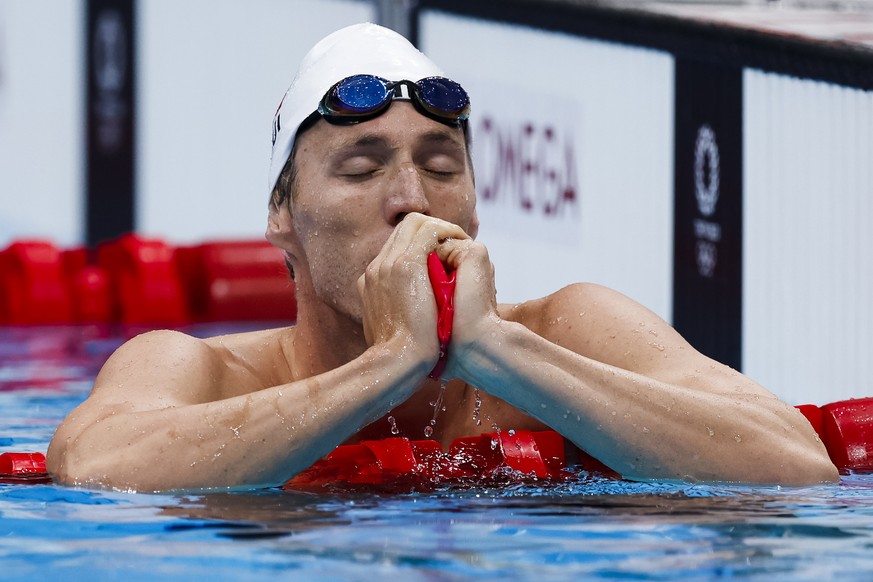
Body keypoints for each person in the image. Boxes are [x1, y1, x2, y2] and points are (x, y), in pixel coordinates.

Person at [46, 23, 837, 491]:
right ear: (282, 216)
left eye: (441, 165)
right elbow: (91, 470)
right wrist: (388, 365)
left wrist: (496, 353)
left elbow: (793, 465)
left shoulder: (566, 329)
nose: (412, 200)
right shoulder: (198, 372)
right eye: (359, 168)